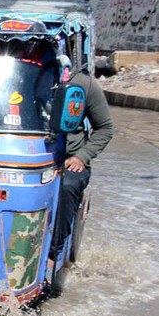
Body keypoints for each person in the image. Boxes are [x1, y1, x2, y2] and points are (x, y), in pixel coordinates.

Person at [48, 68, 113, 293]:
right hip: (28, 157)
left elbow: (105, 128)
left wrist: (82, 156)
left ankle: (52, 254)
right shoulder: (21, 71)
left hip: (67, 159)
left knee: (67, 187)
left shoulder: (83, 84)